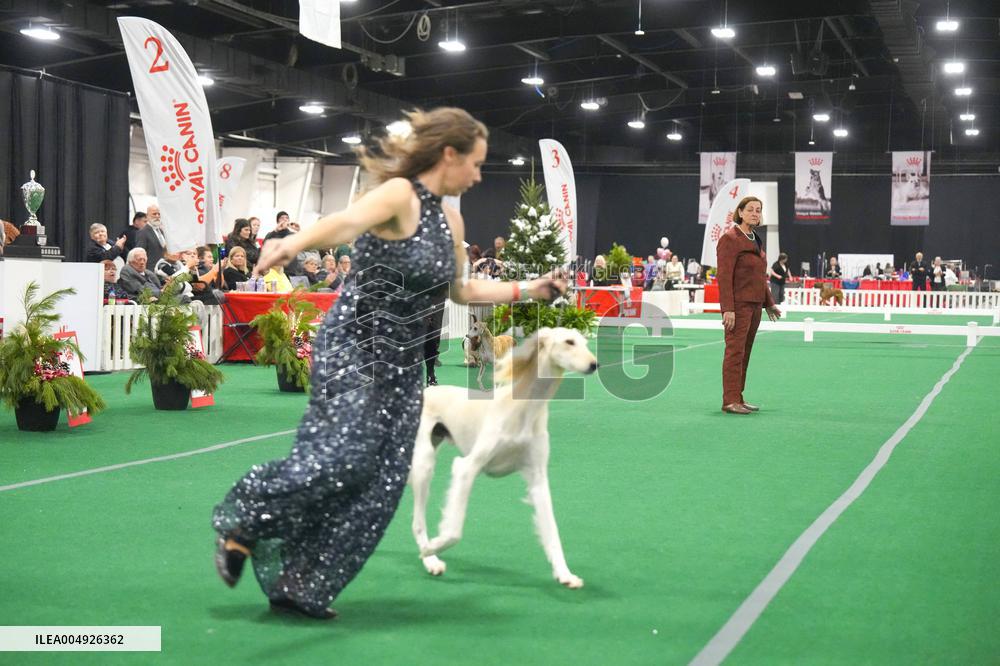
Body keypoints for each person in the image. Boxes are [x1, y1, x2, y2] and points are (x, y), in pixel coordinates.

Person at [211, 107, 566, 620]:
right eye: (476, 163)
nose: (479, 174)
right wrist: (291, 243)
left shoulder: (453, 219)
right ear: (450, 154)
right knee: (346, 457)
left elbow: (461, 290)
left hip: (402, 361)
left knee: (379, 481)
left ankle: (302, 583)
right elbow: (343, 222)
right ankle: (245, 516)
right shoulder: (401, 195)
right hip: (355, 342)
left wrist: (528, 288)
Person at [717, 196, 781, 414]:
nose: (755, 213)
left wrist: (769, 304)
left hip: (754, 306)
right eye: (751, 209)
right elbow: (724, 277)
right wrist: (728, 309)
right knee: (734, 352)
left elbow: (759, 277)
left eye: (759, 210)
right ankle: (729, 400)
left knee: (745, 352)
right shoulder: (730, 238)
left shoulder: (755, 239)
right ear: (740, 212)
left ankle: (738, 397)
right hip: (738, 306)